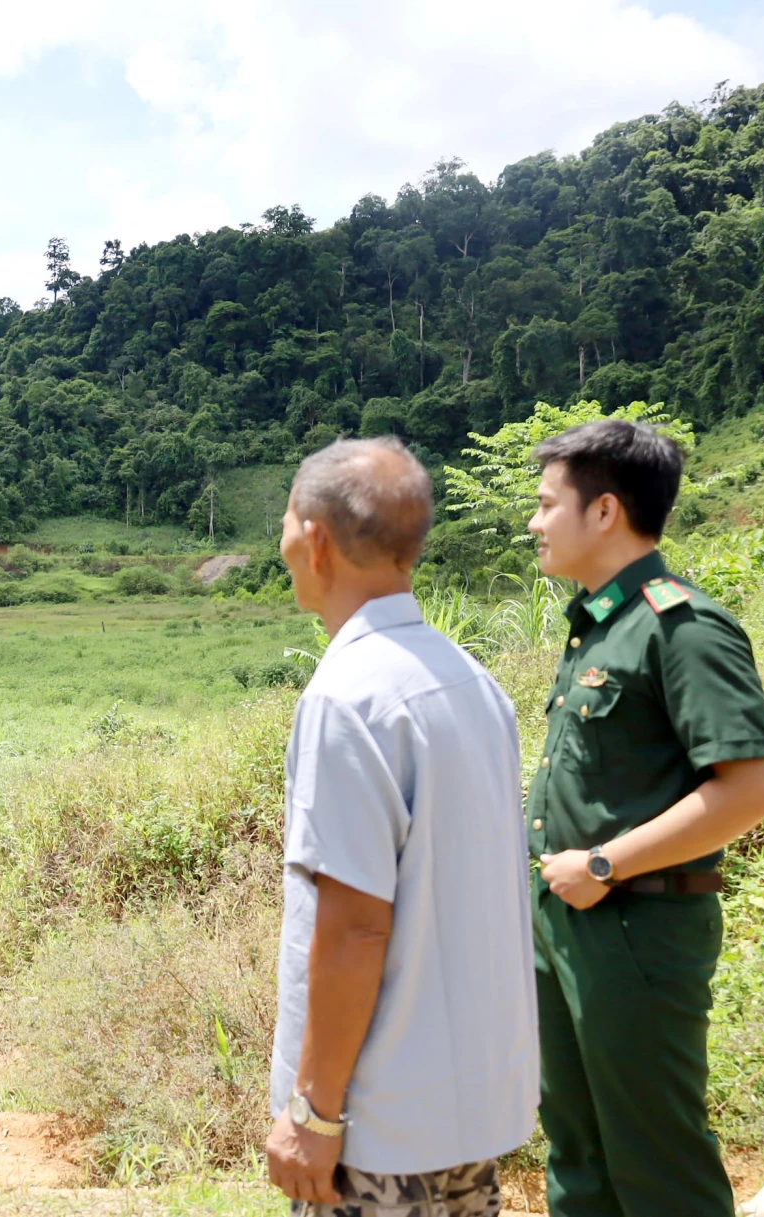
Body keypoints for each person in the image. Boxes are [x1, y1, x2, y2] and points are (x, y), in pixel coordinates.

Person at [267, 437, 538, 1216]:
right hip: (469, 1106)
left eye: (286, 518)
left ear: (313, 539)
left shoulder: (346, 697)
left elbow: (354, 927)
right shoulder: (469, 678)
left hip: (378, 1123)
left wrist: (314, 1112)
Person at [526, 419, 764, 1216]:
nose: (533, 522)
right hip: (564, 925)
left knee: (657, 1163)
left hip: (635, 929)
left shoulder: (682, 626)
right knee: (578, 1153)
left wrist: (604, 863)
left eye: (545, 503)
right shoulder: (598, 625)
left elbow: (755, 784)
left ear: (604, 512)